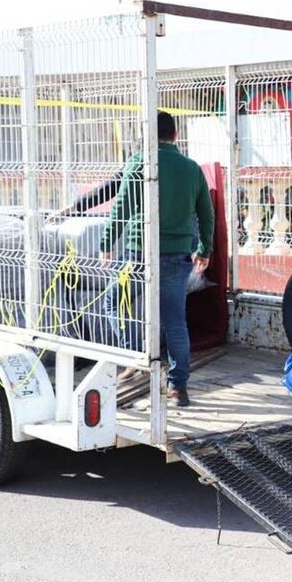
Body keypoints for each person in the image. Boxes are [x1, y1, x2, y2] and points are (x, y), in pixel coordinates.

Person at [100, 111, 214, 407]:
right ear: (175, 135)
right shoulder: (191, 168)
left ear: (148, 136)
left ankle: (135, 358)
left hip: (139, 255)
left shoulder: (139, 163)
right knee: (175, 321)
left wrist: (106, 243)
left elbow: (122, 207)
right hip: (178, 255)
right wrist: (204, 248)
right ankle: (178, 388)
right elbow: (206, 213)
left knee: (114, 301)